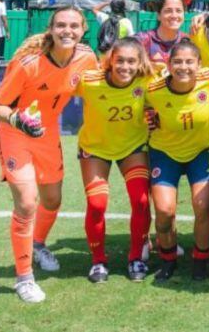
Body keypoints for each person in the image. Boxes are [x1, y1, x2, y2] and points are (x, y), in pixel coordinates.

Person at [0, 6, 99, 303]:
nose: (68, 31)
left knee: (52, 200)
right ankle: (24, 278)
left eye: (74, 26)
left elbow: (96, 91)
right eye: (61, 25)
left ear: (83, 29)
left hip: (47, 132)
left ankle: (37, 244)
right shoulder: (28, 63)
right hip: (15, 131)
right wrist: (18, 120)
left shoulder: (87, 58)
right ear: (51, 29)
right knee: (27, 203)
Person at [74, 39, 152, 283]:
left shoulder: (148, 81)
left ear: (140, 63)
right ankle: (98, 261)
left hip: (133, 148)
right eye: (120, 61)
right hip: (95, 149)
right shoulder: (89, 81)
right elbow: (58, 85)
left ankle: (136, 257)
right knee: (96, 205)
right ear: (110, 61)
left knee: (141, 201)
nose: (125, 67)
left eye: (131, 61)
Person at [144, 42, 209, 283]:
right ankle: (168, 259)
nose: (183, 67)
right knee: (164, 211)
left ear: (199, 64)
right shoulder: (153, 89)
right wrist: (148, 117)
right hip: (165, 152)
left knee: (203, 207)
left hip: (202, 151)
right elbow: (139, 107)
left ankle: (201, 259)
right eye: (177, 61)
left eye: (190, 62)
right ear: (168, 64)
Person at [134, 0, 190, 74]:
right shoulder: (142, 40)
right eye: (168, 11)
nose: (174, 15)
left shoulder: (188, 42)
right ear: (158, 15)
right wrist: (147, 66)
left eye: (178, 11)